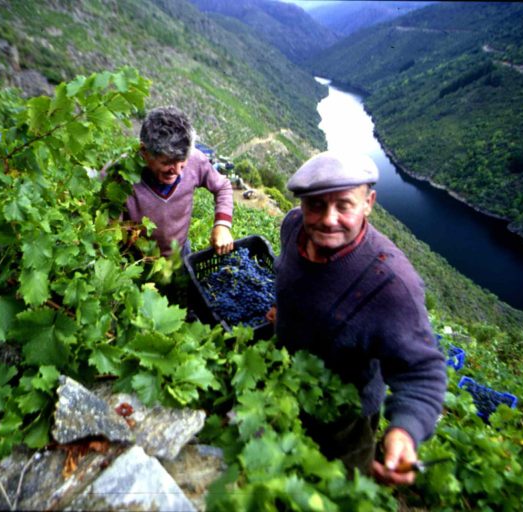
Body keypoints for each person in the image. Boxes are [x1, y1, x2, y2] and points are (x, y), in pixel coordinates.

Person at [269, 151, 447, 485]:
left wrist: (404, 431)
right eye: (316, 205)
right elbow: (291, 276)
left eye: (344, 205)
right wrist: (285, 309)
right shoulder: (293, 226)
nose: (328, 219)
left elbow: (423, 372)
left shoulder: (391, 283)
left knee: (337, 486)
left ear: (368, 203)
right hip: (287, 379)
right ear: (302, 204)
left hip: (345, 415)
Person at [125, 106, 234, 258]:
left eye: (182, 161)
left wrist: (222, 225)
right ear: (144, 151)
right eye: (168, 162)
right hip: (138, 260)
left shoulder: (195, 159)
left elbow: (222, 186)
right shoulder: (121, 174)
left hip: (181, 252)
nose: (177, 171)